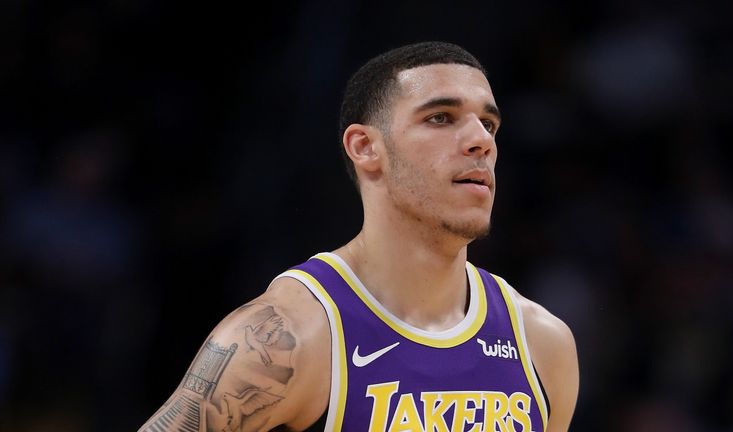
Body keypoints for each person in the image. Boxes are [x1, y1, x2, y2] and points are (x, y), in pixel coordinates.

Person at [139, 41, 579, 432]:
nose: (480, 141)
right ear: (365, 147)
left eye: (489, 124)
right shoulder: (284, 339)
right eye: (441, 117)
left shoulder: (543, 343)